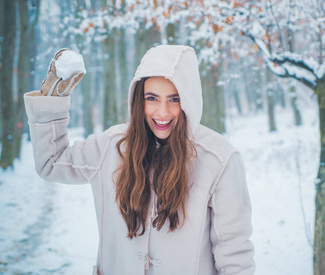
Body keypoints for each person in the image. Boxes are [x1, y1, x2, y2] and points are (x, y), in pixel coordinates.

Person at [24, 45, 255, 275]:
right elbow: (51, 163)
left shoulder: (219, 160)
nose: (162, 112)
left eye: (174, 99)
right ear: (138, 98)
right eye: (152, 98)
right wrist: (52, 100)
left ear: (189, 100)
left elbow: (234, 255)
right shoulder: (111, 147)